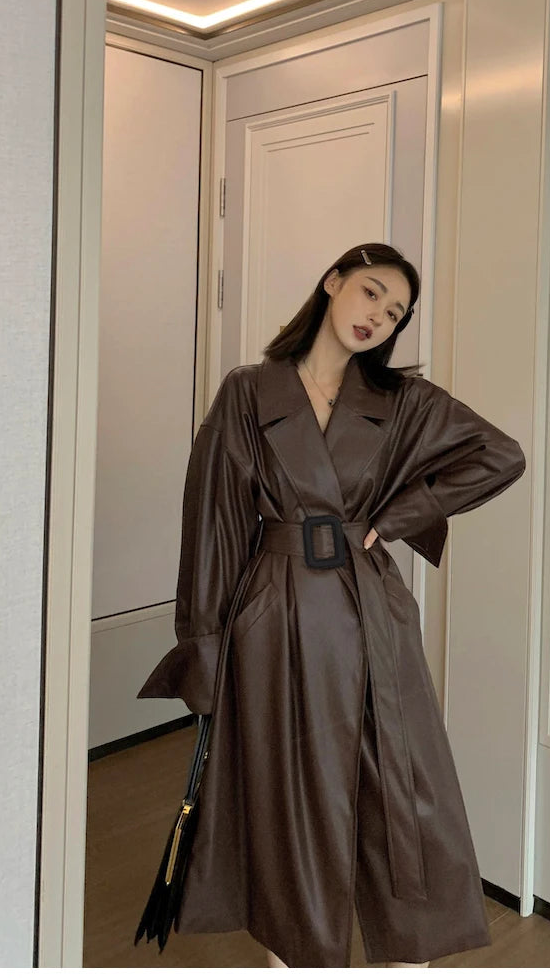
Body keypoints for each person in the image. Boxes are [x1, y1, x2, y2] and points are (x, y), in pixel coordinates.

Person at [138, 242, 527, 968]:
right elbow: (214, 524)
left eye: (395, 312)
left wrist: (402, 514)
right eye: (371, 292)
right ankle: (298, 946)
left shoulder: (402, 401)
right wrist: (205, 644)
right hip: (275, 610)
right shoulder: (249, 392)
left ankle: (407, 944)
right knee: (289, 787)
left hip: (369, 606)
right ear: (333, 281)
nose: (378, 315)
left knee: (400, 781)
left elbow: (500, 456)